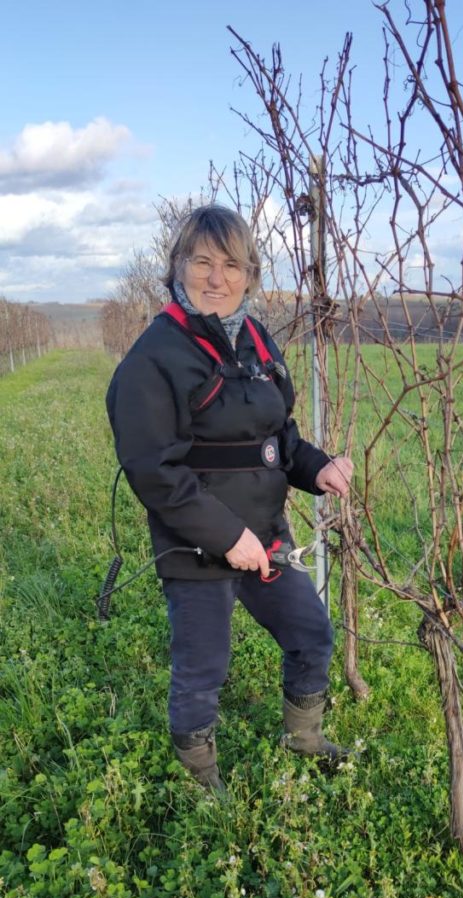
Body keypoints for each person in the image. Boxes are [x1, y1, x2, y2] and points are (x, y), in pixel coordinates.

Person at [106, 205, 353, 791]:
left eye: (232, 264)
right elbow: (155, 471)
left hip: (265, 535)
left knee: (310, 633)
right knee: (202, 669)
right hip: (196, 546)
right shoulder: (153, 358)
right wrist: (227, 537)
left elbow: (279, 436)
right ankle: (200, 782)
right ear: (178, 266)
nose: (217, 278)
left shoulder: (257, 342)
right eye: (203, 262)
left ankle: (305, 738)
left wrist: (318, 469)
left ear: (250, 274)